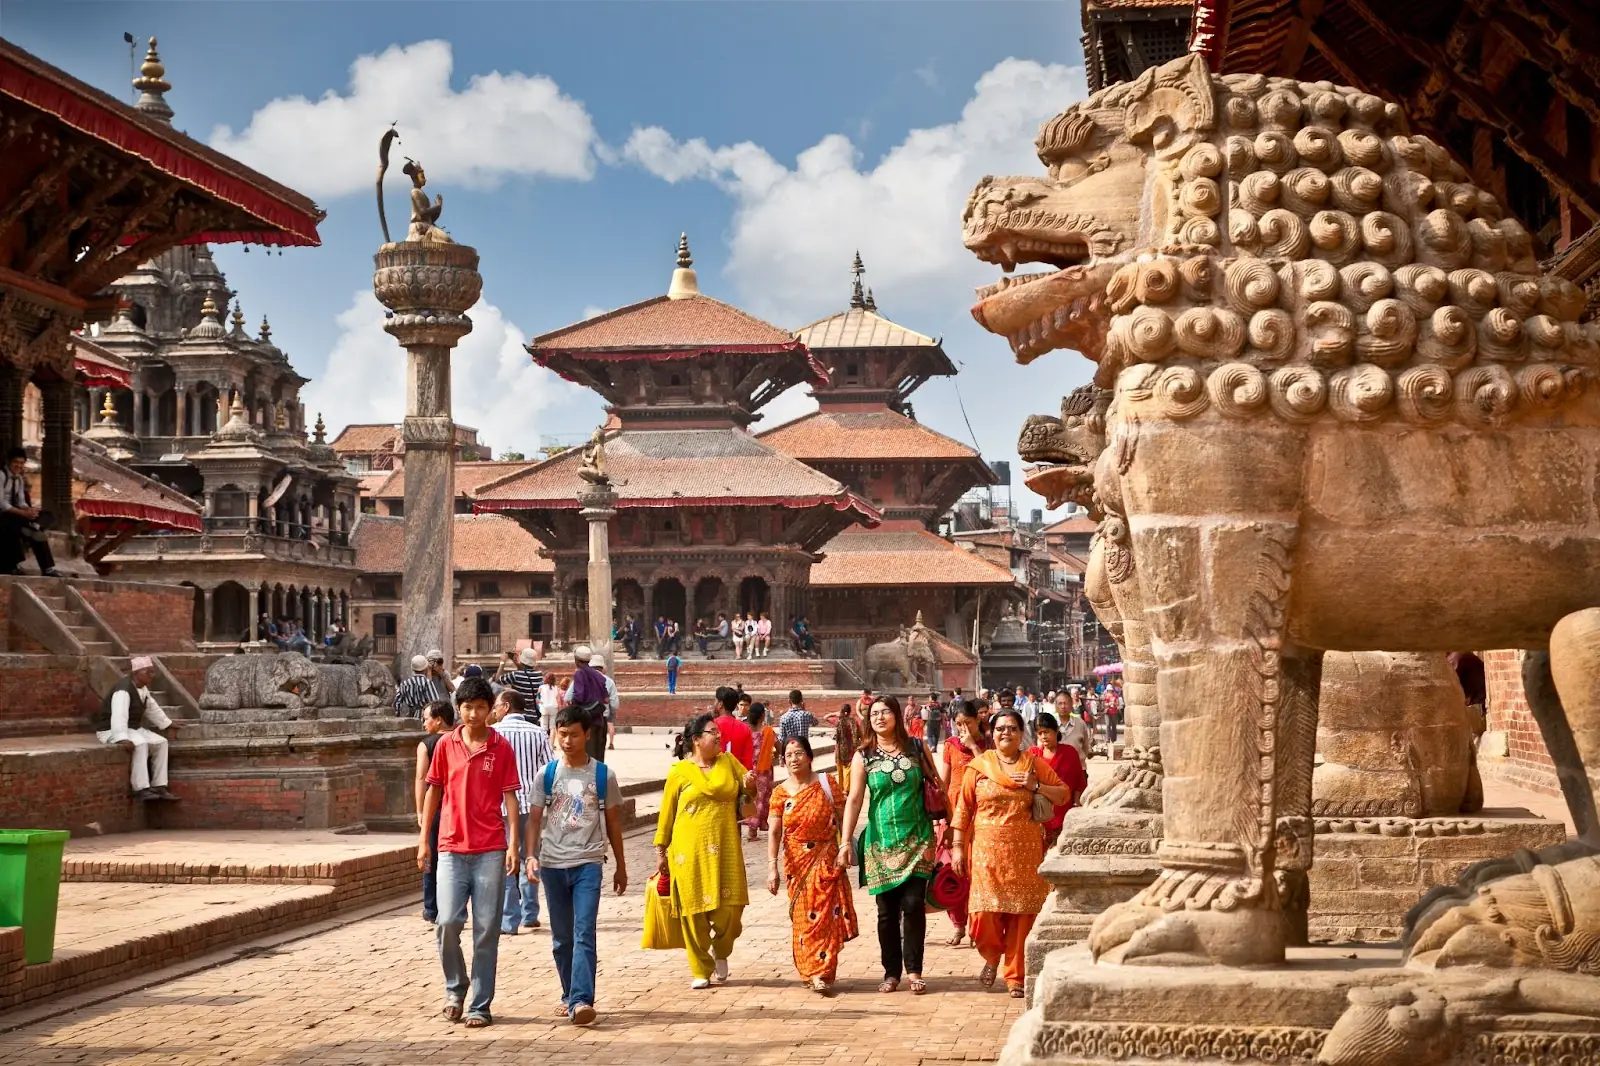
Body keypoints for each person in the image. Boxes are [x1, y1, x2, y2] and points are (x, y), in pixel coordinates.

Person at [416, 676, 521, 1028]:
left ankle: (480, 1003)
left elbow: (510, 797)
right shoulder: (445, 745)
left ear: (491, 711)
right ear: (457, 710)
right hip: (450, 846)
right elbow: (433, 790)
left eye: (480, 708)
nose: (473, 714)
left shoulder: (501, 747)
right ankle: (455, 987)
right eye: (467, 708)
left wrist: (514, 845)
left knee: (487, 928)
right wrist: (422, 838)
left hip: (491, 847)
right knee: (446, 922)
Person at [950, 708, 1070, 998]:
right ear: (992, 732)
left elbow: (1063, 793)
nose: (1006, 733)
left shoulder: (1033, 764)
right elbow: (964, 809)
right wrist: (956, 847)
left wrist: (1035, 785)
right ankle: (991, 956)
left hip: (1026, 851)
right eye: (1001, 728)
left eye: (1013, 728)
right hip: (986, 853)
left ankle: (1015, 975)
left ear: (1020, 733)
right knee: (983, 915)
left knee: (1022, 915)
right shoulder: (979, 766)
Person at [526, 704, 628, 1026]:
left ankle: (582, 999)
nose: (567, 740)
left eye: (573, 734)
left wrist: (621, 865)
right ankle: (569, 994)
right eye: (562, 734)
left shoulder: (602, 775)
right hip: (553, 864)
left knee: (584, 931)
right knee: (561, 938)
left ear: (588, 734)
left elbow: (613, 823)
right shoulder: (548, 774)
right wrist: (531, 855)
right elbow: (534, 819)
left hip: (588, 863)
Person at [838, 695, 936, 995]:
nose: (879, 718)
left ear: (897, 715)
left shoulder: (917, 748)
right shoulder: (863, 755)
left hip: (917, 838)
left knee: (913, 905)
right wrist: (845, 842)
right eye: (874, 714)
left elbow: (936, 786)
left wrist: (942, 829)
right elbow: (854, 800)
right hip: (880, 842)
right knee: (886, 912)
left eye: (885, 712)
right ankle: (891, 971)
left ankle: (914, 969)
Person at [654, 713, 754, 989]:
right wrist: (662, 850)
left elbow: (749, 793)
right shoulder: (679, 772)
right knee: (693, 912)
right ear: (697, 740)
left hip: (726, 849)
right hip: (688, 852)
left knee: (731, 913)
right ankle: (700, 968)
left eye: (719, 732)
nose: (719, 736)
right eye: (712, 732)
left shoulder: (729, 762)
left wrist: (751, 785)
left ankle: (721, 951)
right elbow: (667, 813)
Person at [766, 735, 858, 993]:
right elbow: (774, 832)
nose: (793, 759)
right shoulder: (779, 793)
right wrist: (771, 867)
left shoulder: (828, 784)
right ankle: (810, 970)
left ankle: (823, 972)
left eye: (798, 754)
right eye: (788, 755)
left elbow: (843, 819)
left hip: (827, 860)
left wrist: (845, 847)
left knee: (826, 917)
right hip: (797, 864)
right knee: (804, 919)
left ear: (809, 756)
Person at [492, 689, 553, 936]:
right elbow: (550, 769)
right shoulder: (538, 732)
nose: (494, 710)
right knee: (531, 855)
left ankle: (509, 918)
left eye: (497, 705)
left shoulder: (494, 734)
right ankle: (530, 913)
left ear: (506, 706)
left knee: (506, 859)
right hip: (531, 806)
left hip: (500, 807)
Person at [936, 700, 986, 946]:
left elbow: (992, 772)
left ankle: (977, 927)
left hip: (982, 814)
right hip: (955, 814)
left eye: (967, 723)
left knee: (978, 872)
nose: (962, 729)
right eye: (958, 724)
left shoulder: (988, 745)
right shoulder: (949, 746)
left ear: (977, 720)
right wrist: (942, 820)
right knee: (955, 872)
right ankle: (958, 925)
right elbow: (943, 784)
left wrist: (974, 747)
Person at [96, 655, 177, 800]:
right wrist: (121, 738)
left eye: (152, 672)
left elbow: (152, 708)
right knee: (141, 744)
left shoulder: (143, 689)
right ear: (136, 673)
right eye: (148, 672)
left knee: (161, 743)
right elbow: (119, 715)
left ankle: (160, 785)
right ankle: (140, 788)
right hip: (110, 730)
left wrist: (167, 723)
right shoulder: (123, 690)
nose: (151, 676)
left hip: (132, 728)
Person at [415, 699, 456, 923]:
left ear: (438, 720)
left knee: (431, 859)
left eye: (426, 718)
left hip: (436, 807)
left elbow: (421, 778)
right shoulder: (461, 740)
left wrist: (420, 810)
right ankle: (454, 905)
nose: (424, 723)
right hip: (458, 807)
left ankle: (431, 908)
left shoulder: (427, 744)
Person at [1028, 711, 1088, 849]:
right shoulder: (1033, 755)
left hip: (1064, 814)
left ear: (1056, 731)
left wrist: (1076, 807)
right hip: (1039, 816)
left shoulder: (1069, 753)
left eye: (1047, 732)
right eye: (1040, 733)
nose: (1043, 736)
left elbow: (1079, 782)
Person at [1, 447, 58, 577]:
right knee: (13, 527)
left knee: (47, 517)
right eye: (16, 462)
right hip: (4, 514)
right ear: (8, 462)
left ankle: (48, 569)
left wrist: (29, 510)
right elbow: (2, 505)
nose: (19, 466)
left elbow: (21, 501)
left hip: (17, 513)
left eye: (22, 463)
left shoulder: (19, 479)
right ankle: (30, 527)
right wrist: (23, 514)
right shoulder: (1, 476)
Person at [744, 702, 777, 842]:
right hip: (764, 771)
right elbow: (779, 745)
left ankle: (754, 826)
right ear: (763, 715)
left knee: (751, 798)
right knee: (762, 800)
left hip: (748, 769)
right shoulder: (768, 731)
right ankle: (753, 830)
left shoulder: (745, 731)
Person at [712, 687, 755, 769]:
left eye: (715, 701)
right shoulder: (745, 728)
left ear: (720, 704)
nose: (714, 704)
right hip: (737, 778)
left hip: (713, 778)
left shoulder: (711, 726)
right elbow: (748, 762)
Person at [1052, 691, 1091, 767]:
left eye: (1065, 703)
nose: (1063, 706)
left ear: (1071, 705)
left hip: (1078, 768)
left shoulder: (1080, 723)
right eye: (1060, 703)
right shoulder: (1051, 724)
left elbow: (1085, 747)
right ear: (1056, 706)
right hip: (1056, 769)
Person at [591, 654, 620, 756]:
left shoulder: (582, 679)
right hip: (602, 715)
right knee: (600, 747)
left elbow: (568, 697)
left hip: (586, 716)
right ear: (602, 667)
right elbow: (615, 703)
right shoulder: (609, 681)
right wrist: (612, 711)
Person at [831, 701, 861, 795]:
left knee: (839, 770)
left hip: (839, 749)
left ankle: (840, 788)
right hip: (850, 749)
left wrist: (834, 714)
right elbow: (859, 734)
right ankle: (846, 789)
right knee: (847, 770)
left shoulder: (838, 722)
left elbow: (825, 718)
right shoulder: (854, 721)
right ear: (849, 712)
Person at [504, 648, 544, 717]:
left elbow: (497, 680)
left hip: (518, 715)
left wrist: (502, 662)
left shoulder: (515, 675)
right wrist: (516, 663)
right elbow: (525, 673)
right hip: (533, 715)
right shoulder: (539, 675)